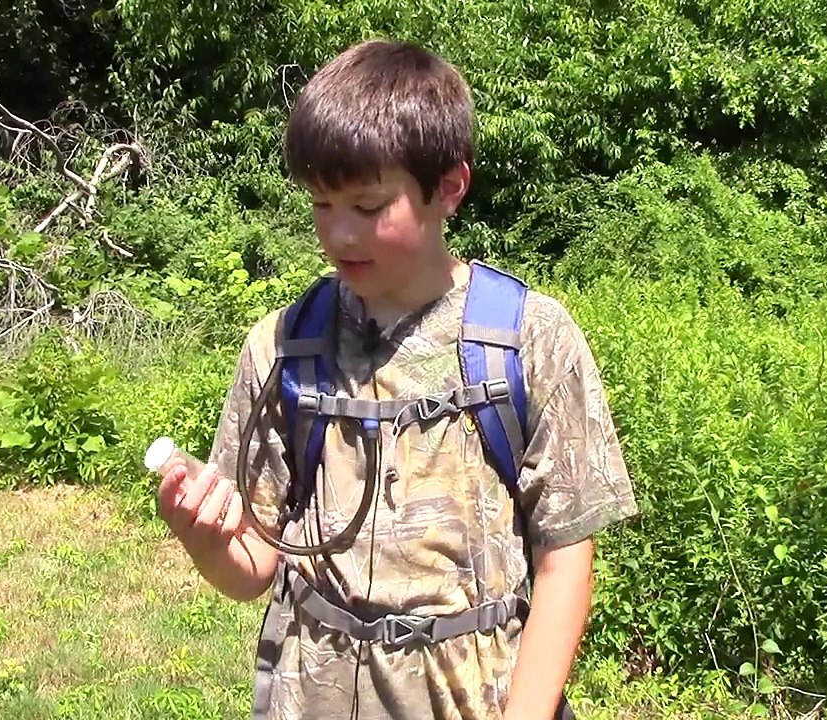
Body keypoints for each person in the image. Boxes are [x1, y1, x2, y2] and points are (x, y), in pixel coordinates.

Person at [154, 39, 638, 720]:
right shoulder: (285, 348)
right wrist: (204, 537)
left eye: (369, 205)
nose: (340, 236)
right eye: (321, 205)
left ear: (449, 188)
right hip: (312, 697)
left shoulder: (526, 339)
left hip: (477, 699)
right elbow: (252, 569)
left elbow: (565, 560)